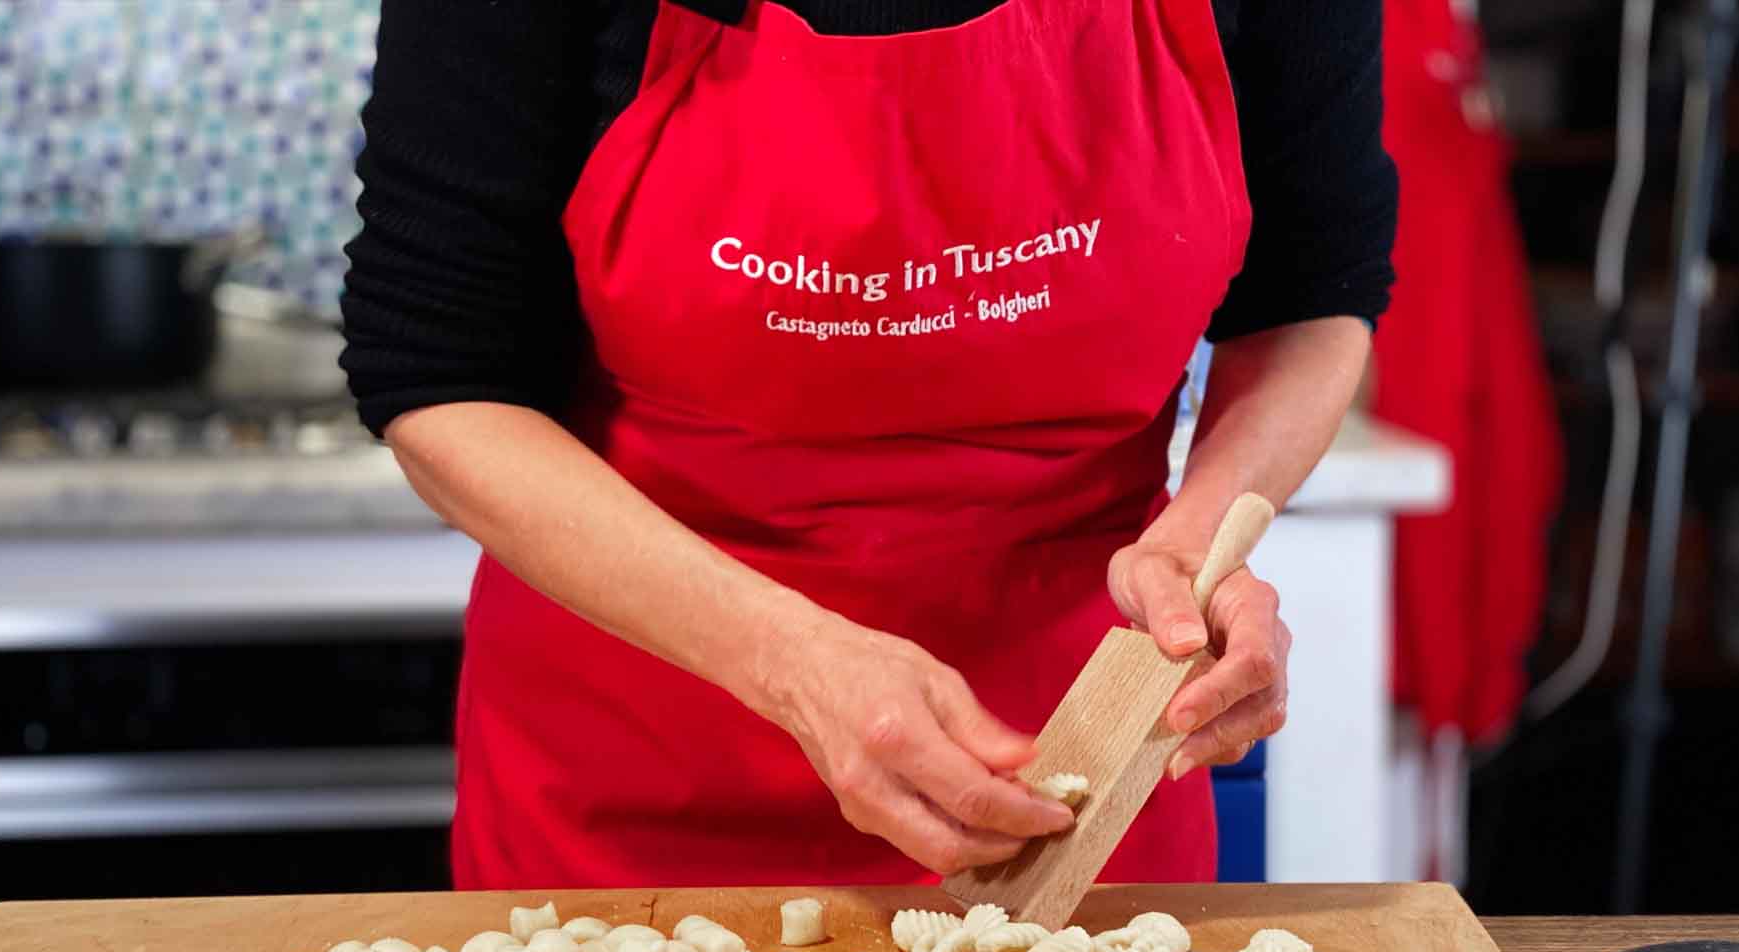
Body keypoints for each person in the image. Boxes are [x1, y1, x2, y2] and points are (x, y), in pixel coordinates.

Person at [340, 0, 1397, 888]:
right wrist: (789, 658)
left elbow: (1310, 297)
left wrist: (1198, 547)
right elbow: (439, 379)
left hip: (1072, 787)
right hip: (636, 795)